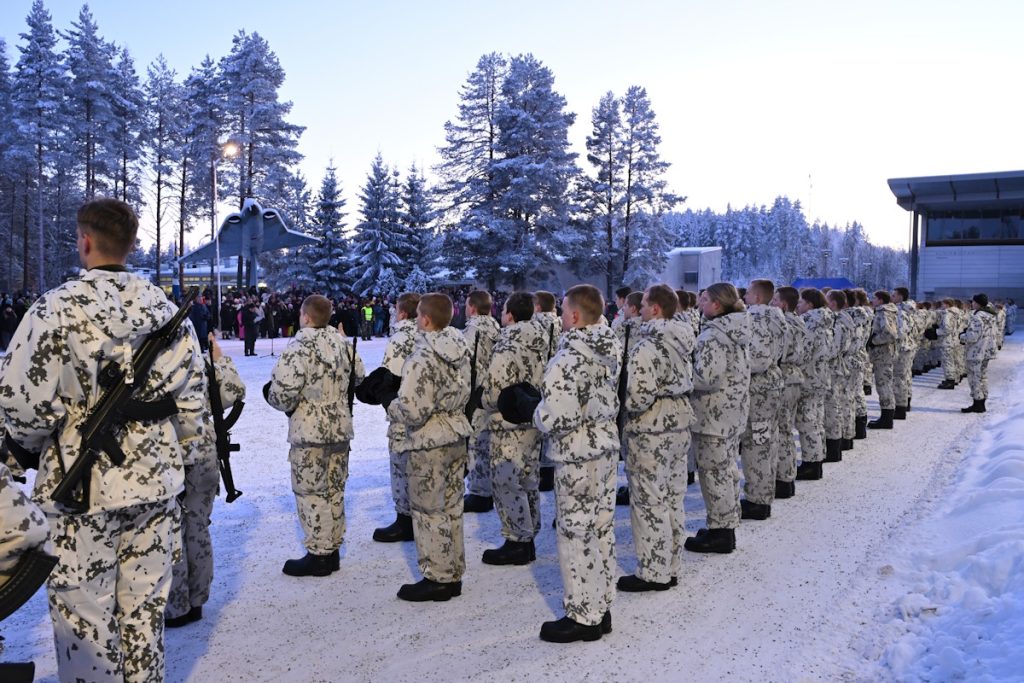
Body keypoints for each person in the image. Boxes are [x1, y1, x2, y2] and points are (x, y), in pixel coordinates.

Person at [0, 198, 206, 682]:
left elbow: (20, 408)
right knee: (144, 615)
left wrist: (35, 442)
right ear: (132, 245)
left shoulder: (54, 310)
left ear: (85, 241)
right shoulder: (166, 311)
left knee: (85, 622)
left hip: (79, 494)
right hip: (154, 491)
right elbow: (192, 407)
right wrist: (179, 462)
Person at [533, 284, 619, 642]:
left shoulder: (568, 359)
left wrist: (532, 411)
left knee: (575, 533)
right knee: (600, 527)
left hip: (577, 454)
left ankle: (584, 616)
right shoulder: (608, 346)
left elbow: (555, 417)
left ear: (572, 316)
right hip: (604, 448)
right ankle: (601, 605)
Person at [267, 294, 366, 576]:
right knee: (334, 489)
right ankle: (332, 548)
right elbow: (359, 375)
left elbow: (282, 394)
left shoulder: (298, 346)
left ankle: (319, 553)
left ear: (306, 317)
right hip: (339, 428)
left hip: (309, 430)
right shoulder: (340, 342)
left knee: (311, 492)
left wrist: (282, 400)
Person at [386, 293, 471, 601]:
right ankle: (453, 572)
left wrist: (390, 404)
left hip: (428, 440)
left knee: (429, 510)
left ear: (424, 319)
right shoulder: (459, 349)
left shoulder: (422, 356)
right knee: (451, 508)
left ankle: (438, 576)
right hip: (455, 433)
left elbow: (412, 409)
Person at [165, 333, 245, 628]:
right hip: (203, 452)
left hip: (167, 455)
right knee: (197, 526)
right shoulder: (200, 361)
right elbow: (232, 392)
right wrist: (220, 358)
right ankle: (196, 601)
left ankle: (176, 607)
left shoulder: (151, 365)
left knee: (171, 531)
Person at [618, 284, 694, 591]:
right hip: (679, 423)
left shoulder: (646, 347)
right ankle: (671, 565)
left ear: (656, 309)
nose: (641, 308)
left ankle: (653, 571)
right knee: (673, 498)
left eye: (646, 304)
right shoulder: (681, 338)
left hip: (651, 428)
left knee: (649, 501)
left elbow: (637, 397)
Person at [479, 291, 547, 565]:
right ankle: (528, 537)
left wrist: (481, 399)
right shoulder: (539, 341)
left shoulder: (507, 345)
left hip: (508, 425)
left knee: (507, 480)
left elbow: (495, 392)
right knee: (528, 479)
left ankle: (516, 540)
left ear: (509, 315)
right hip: (532, 419)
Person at [684, 283, 750, 553]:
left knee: (714, 475)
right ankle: (726, 524)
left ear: (717, 305)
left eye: (705, 299)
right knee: (726, 471)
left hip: (713, 415)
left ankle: (720, 532)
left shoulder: (714, 335)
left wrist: (682, 374)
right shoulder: (736, 328)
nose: (700, 304)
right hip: (731, 413)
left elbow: (707, 378)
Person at [372, 292, 421, 543]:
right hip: (424, 409)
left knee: (401, 466)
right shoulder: (426, 333)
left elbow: (390, 376)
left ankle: (405, 520)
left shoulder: (400, 337)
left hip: (402, 410)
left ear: (401, 313)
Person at [738, 279, 786, 519]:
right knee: (767, 440)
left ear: (757, 298)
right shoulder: (777, 318)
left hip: (758, 389)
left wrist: (737, 366)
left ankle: (757, 499)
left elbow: (758, 359)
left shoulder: (756, 318)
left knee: (756, 443)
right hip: (772, 384)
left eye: (747, 293)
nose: (744, 296)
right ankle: (764, 492)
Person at [462, 290, 501, 513]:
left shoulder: (472, 330)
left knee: (477, 444)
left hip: (476, 393)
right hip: (491, 391)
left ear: (473, 307)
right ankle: (485, 488)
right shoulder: (495, 326)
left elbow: (466, 362)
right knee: (486, 441)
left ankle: (479, 492)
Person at [770, 286, 807, 499]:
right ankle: (787, 476)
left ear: (783, 304)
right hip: (795, 376)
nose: (772, 304)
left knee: (781, 430)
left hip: (784, 376)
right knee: (786, 429)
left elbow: (778, 352)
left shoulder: (784, 323)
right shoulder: (799, 321)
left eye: (775, 300)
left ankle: (783, 479)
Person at [794, 288, 831, 480]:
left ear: (810, 304)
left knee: (806, 422)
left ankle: (811, 463)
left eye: (801, 303)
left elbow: (803, 353)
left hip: (809, 377)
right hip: (821, 376)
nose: (798, 306)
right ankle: (817, 458)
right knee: (816, 420)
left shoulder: (810, 323)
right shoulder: (825, 322)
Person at [533, 290, 561, 492]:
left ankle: (543, 474)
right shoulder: (563, 323)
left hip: (540, 378)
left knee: (540, 427)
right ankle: (550, 471)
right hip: (559, 379)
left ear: (538, 306)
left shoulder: (536, 324)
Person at [959, 293, 998, 413]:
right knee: (982, 376)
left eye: (973, 302)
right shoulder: (990, 315)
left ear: (977, 303)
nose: (971, 304)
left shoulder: (977, 316)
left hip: (976, 351)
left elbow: (973, 336)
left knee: (974, 378)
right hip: (986, 350)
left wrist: (962, 336)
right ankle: (982, 401)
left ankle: (977, 403)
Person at [867, 290, 899, 430]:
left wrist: (874, 341)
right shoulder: (889, 312)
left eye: (874, 298)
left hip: (883, 354)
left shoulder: (883, 312)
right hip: (884, 354)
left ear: (880, 300)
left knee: (883, 385)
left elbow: (890, 334)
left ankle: (886, 419)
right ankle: (886, 417)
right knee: (885, 384)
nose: (872, 300)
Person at [891, 287, 920, 419]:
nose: (892, 298)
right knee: (906, 376)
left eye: (894, 295)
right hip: (910, 346)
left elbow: (899, 332)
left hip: (902, 348)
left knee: (899, 378)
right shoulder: (912, 310)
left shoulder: (900, 312)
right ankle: (906, 401)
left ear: (901, 297)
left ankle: (900, 408)